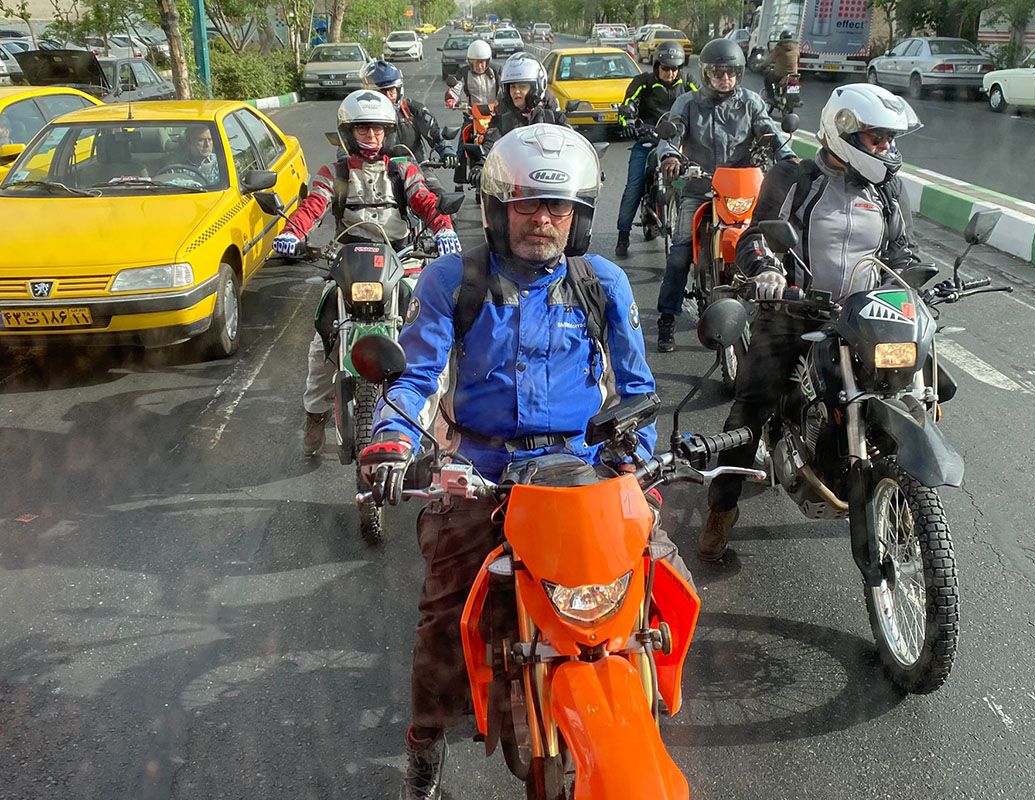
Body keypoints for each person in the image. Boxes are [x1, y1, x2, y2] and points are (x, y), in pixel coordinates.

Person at [355, 124, 693, 800]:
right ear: (497, 209)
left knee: (665, 583)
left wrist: (639, 468)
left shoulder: (603, 282)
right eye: (528, 206)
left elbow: (636, 391)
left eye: (558, 208)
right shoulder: (455, 280)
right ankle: (424, 744)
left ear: (578, 217)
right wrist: (392, 440)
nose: (543, 220)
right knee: (445, 617)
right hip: (482, 471)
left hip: (585, 472)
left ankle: (647, 695)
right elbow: (417, 378)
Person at [697, 83, 923, 561]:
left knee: (923, 386)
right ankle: (721, 508)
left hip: (864, 318)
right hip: (794, 311)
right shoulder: (794, 178)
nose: (887, 149)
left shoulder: (888, 188)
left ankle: (910, 502)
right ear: (844, 133)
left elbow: (901, 253)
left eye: (889, 139)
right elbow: (756, 237)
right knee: (754, 401)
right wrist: (768, 271)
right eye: (877, 138)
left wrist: (920, 282)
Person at [271, 90, 461, 457]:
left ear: (388, 132)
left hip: (399, 257)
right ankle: (315, 414)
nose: (371, 137)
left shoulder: (402, 168)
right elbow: (313, 205)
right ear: (348, 133)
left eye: (377, 130)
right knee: (321, 343)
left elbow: (423, 199)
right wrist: (292, 233)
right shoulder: (335, 172)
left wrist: (444, 228)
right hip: (347, 261)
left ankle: (439, 419)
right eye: (362, 130)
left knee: (429, 333)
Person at [654, 37, 792, 353]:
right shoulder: (687, 104)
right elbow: (672, 136)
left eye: (730, 73)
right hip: (699, 189)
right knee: (679, 255)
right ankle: (667, 319)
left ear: (739, 74)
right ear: (706, 74)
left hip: (741, 192)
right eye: (718, 73)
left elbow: (771, 134)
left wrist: (791, 162)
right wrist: (670, 157)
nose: (725, 79)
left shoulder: (751, 103)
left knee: (772, 247)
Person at [614, 40, 698, 258]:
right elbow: (627, 107)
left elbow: (704, 105)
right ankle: (623, 235)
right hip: (648, 140)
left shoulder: (689, 83)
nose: (670, 73)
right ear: (656, 65)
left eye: (674, 68)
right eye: (665, 68)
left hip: (679, 144)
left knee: (702, 181)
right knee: (633, 186)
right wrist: (628, 124)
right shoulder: (643, 82)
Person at [366, 59, 457, 171]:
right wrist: (345, 160)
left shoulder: (413, 109)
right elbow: (346, 146)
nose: (389, 96)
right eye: (382, 92)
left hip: (417, 170)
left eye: (392, 91)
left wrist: (447, 151)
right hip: (377, 173)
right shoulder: (360, 117)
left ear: (399, 90)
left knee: (437, 189)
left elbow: (436, 135)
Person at [481, 55, 567, 153]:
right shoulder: (501, 122)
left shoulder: (554, 118)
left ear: (536, 88)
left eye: (522, 86)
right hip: (514, 167)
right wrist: (479, 164)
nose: (516, 91)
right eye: (512, 87)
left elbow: (571, 145)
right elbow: (489, 146)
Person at [445, 39, 500, 187]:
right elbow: (455, 87)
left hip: (494, 117)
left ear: (488, 61)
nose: (479, 65)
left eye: (482, 62)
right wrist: (451, 99)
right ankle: (459, 181)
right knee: (462, 146)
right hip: (472, 116)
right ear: (470, 62)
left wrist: (500, 104)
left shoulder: (496, 71)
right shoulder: (464, 72)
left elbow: (504, 91)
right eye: (475, 62)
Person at [767, 31, 801, 107]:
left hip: (780, 74)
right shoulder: (796, 48)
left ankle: (770, 98)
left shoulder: (779, 48)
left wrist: (763, 65)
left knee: (767, 79)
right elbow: (798, 60)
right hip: (794, 75)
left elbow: (770, 59)